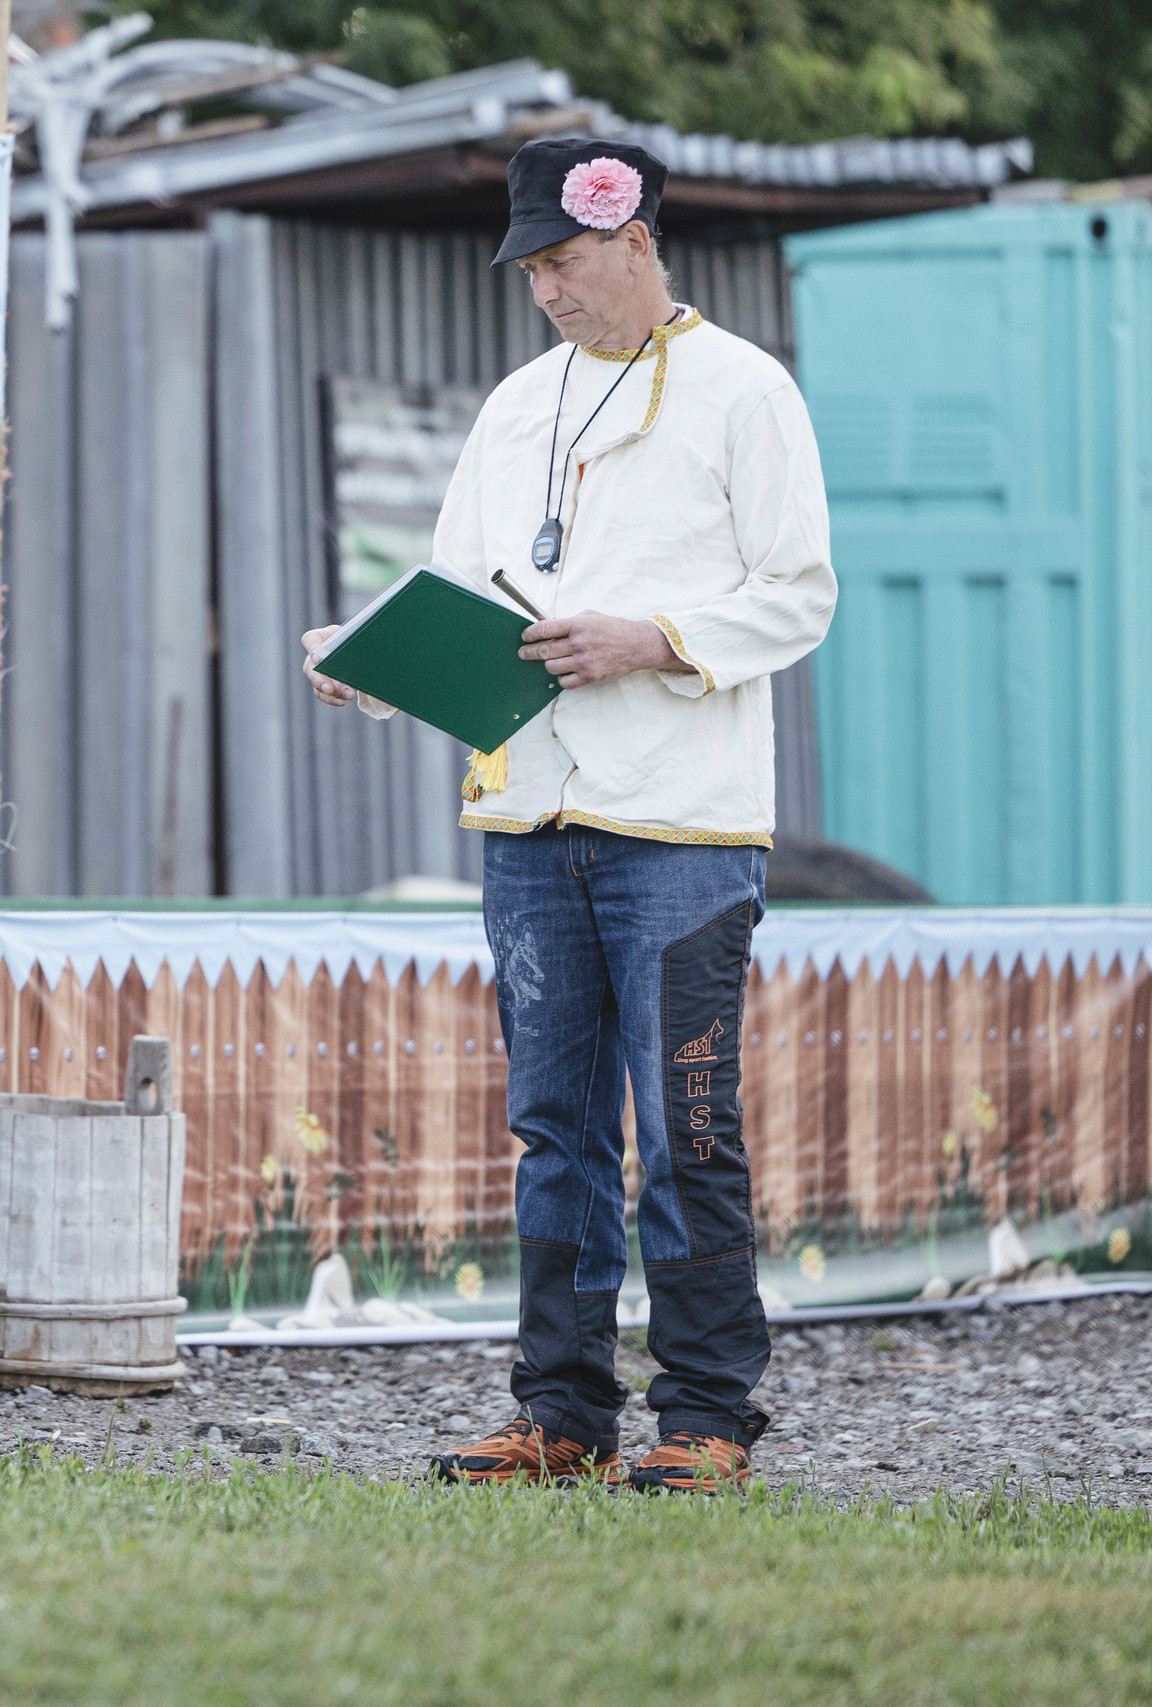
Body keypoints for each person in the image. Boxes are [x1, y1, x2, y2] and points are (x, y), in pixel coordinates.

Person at [303, 138, 836, 1492]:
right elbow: (453, 596)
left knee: (687, 1121)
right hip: (531, 811)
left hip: (684, 821)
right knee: (555, 1130)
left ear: (640, 237)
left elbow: (801, 594)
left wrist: (648, 635)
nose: (546, 287)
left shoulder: (744, 389)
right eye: (532, 265)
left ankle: (708, 1414)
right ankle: (562, 1413)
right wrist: (367, 662)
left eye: (567, 257)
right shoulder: (516, 404)